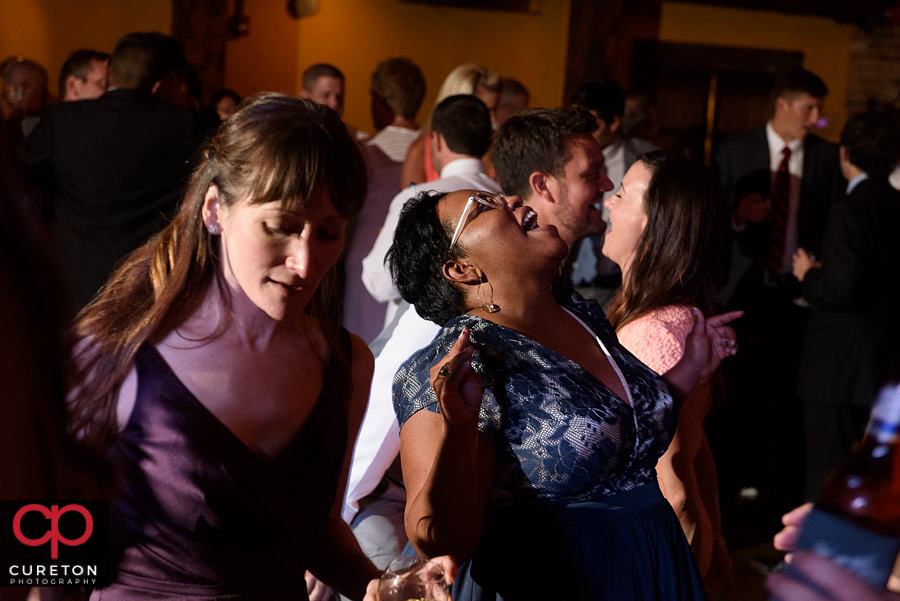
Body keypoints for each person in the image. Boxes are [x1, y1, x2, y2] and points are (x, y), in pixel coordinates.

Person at [66, 94, 380, 600]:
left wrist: (384, 587)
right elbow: (44, 539)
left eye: (329, 233)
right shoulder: (120, 348)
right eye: (281, 226)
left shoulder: (345, 363)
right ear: (216, 210)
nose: (304, 262)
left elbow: (314, 532)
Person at [386, 187, 740, 599]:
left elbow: (620, 440)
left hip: (651, 556)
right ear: (461, 269)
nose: (512, 200)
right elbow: (443, 542)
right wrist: (457, 426)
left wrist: (685, 373)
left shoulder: (582, 316)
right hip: (560, 578)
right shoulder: (458, 365)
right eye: (483, 207)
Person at [344, 95, 500, 571]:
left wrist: (341, 506)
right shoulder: (496, 195)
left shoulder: (427, 200)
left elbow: (376, 279)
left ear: (434, 141)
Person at [712, 68, 844, 517]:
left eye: (820, 109)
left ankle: (777, 497)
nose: (816, 117)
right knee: (735, 396)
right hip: (741, 293)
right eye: (809, 107)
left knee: (786, 400)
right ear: (783, 105)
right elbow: (710, 222)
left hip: (797, 297)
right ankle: (730, 492)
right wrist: (736, 215)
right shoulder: (734, 149)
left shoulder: (827, 159)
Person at [603, 151, 732, 597]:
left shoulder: (651, 334)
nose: (608, 202)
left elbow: (674, 484)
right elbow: (700, 451)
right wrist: (715, 538)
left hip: (660, 551)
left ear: (654, 223)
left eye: (621, 194)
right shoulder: (671, 316)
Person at [21, 32, 199, 312]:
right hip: (151, 288)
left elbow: (18, 179)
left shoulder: (63, 121)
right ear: (159, 83)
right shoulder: (185, 126)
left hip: (77, 287)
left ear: (112, 72)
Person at [791, 111, 900, 499]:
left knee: (828, 469)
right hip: (883, 363)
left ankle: (813, 559)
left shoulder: (849, 209)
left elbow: (841, 291)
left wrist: (808, 274)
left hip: (837, 368)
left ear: (845, 153)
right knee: (871, 476)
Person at [569, 79, 658, 302]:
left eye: (592, 123)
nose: (581, 130)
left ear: (614, 122)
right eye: (576, 120)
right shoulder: (562, 154)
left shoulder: (647, 159)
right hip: (567, 279)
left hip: (620, 287)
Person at [400, 63, 500, 187]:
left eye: (494, 109)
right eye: (484, 110)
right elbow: (407, 202)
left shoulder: (495, 148)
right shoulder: (420, 152)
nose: (493, 118)